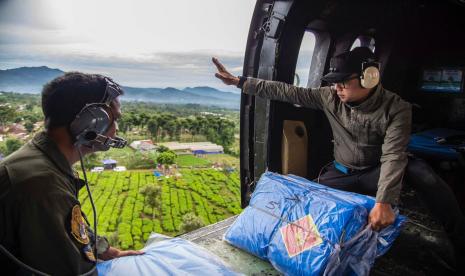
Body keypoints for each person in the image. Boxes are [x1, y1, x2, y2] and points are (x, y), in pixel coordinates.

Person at [213, 47, 465, 268]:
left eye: (344, 81)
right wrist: (240, 82)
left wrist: (384, 201)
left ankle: (459, 241)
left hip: (375, 172)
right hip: (341, 171)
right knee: (312, 215)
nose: (337, 88)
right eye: (334, 82)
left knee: (424, 175)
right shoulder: (329, 96)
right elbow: (287, 91)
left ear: (370, 77)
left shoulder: (396, 108)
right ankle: (303, 258)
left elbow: (393, 155)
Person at [0, 72, 143, 275]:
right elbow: (73, 270)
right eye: (114, 119)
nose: (116, 129)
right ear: (92, 123)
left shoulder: (42, 161)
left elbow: (73, 228)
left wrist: (106, 251)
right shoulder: (42, 184)